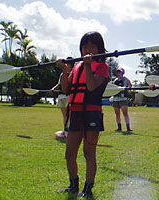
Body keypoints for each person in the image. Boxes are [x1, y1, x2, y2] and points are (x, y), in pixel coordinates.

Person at [56, 31, 109, 198]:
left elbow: (92, 86)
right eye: (85, 46)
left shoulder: (102, 67)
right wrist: (65, 71)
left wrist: (87, 65)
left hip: (92, 114)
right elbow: (66, 89)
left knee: (88, 152)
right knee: (69, 153)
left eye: (93, 46)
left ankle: (88, 188)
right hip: (77, 114)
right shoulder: (77, 66)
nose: (88, 49)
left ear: (100, 48)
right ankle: (73, 185)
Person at [52, 57, 74, 138]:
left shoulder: (73, 73)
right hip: (61, 96)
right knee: (65, 115)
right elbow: (59, 84)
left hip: (69, 96)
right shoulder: (62, 74)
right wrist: (53, 89)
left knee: (70, 115)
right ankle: (66, 129)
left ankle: (71, 130)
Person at [112, 67, 133, 132]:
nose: (119, 74)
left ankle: (128, 127)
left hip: (123, 98)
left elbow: (130, 86)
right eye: (118, 72)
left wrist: (129, 90)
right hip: (115, 98)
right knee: (117, 114)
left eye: (120, 72)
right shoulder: (115, 80)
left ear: (123, 73)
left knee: (125, 113)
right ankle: (119, 127)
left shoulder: (126, 79)